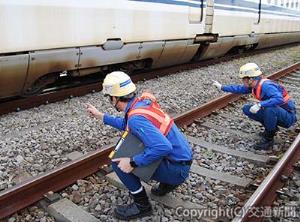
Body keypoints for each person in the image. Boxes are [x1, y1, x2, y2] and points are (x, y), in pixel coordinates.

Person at [86, 71, 193, 220]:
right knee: (134, 144)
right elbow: (127, 124)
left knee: (118, 161)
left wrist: (132, 162)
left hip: (176, 169)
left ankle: (142, 206)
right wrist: (101, 116)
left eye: (109, 98)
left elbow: (163, 147)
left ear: (114, 98)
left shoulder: (136, 118)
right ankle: (167, 184)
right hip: (182, 159)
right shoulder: (141, 103)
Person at [212, 63, 297, 150]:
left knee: (270, 109)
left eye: (244, 79)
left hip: (288, 117)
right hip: (278, 113)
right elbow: (238, 89)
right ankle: (272, 128)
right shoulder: (254, 85)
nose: (243, 81)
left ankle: (268, 139)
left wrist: (260, 104)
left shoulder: (266, 86)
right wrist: (222, 87)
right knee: (247, 109)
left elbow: (279, 99)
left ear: (251, 79)